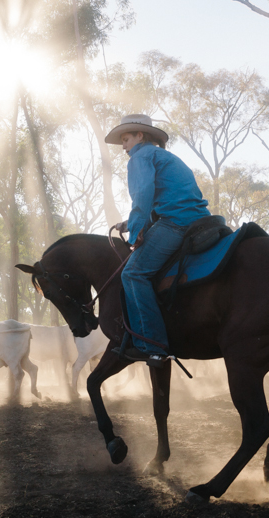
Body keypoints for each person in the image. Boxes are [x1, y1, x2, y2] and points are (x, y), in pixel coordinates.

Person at [104, 114, 211, 365]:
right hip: (198, 219)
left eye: (126, 139)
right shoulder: (166, 157)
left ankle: (152, 345)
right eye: (122, 141)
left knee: (133, 274)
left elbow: (142, 197)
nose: (123, 146)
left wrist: (135, 233)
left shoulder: (140, 157)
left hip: (176, 223)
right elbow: (165, 198)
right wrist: (129, 224)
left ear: (140, 136)